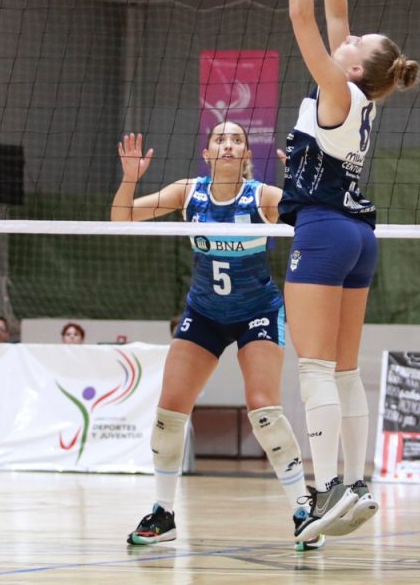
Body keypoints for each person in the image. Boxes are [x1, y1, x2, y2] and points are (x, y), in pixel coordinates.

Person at [282, 0, 420, 544]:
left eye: (354, 46)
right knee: (343, 369)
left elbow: (303, 18)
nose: (347, 38)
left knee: (314, 368)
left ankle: (327, 489)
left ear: (356, 68)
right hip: (360, 236)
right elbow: (337, 21)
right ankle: (358, 483)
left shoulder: (337, 89)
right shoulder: (359, 94)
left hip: (324, 230)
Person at [113, 122, 317, 549]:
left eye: (237, 140)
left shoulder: (263, 197)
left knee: (264, 410)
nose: (228, 145)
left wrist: (301, 182)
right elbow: (122, 218)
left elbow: (316, 223)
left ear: (247, 155)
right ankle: (163, 513)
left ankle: (303, 511)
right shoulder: (188, 192)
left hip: (257, 312)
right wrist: (130, 178)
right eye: (219, 139)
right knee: (169, 412)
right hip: (204, 312)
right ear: (206, 153)